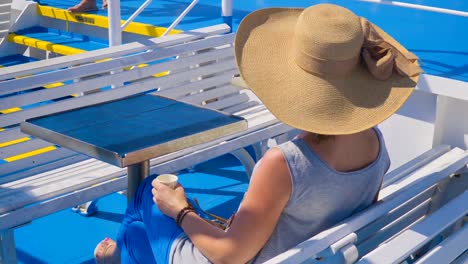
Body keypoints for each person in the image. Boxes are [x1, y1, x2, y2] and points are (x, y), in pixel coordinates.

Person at [94, 3, 422, 263]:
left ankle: (115, 256)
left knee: (146, 196)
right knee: (143, 234)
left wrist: (180, 210)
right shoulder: (374, 141)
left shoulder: (284, 163)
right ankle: (118, 256)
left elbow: (229, 256)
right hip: (318, 254)